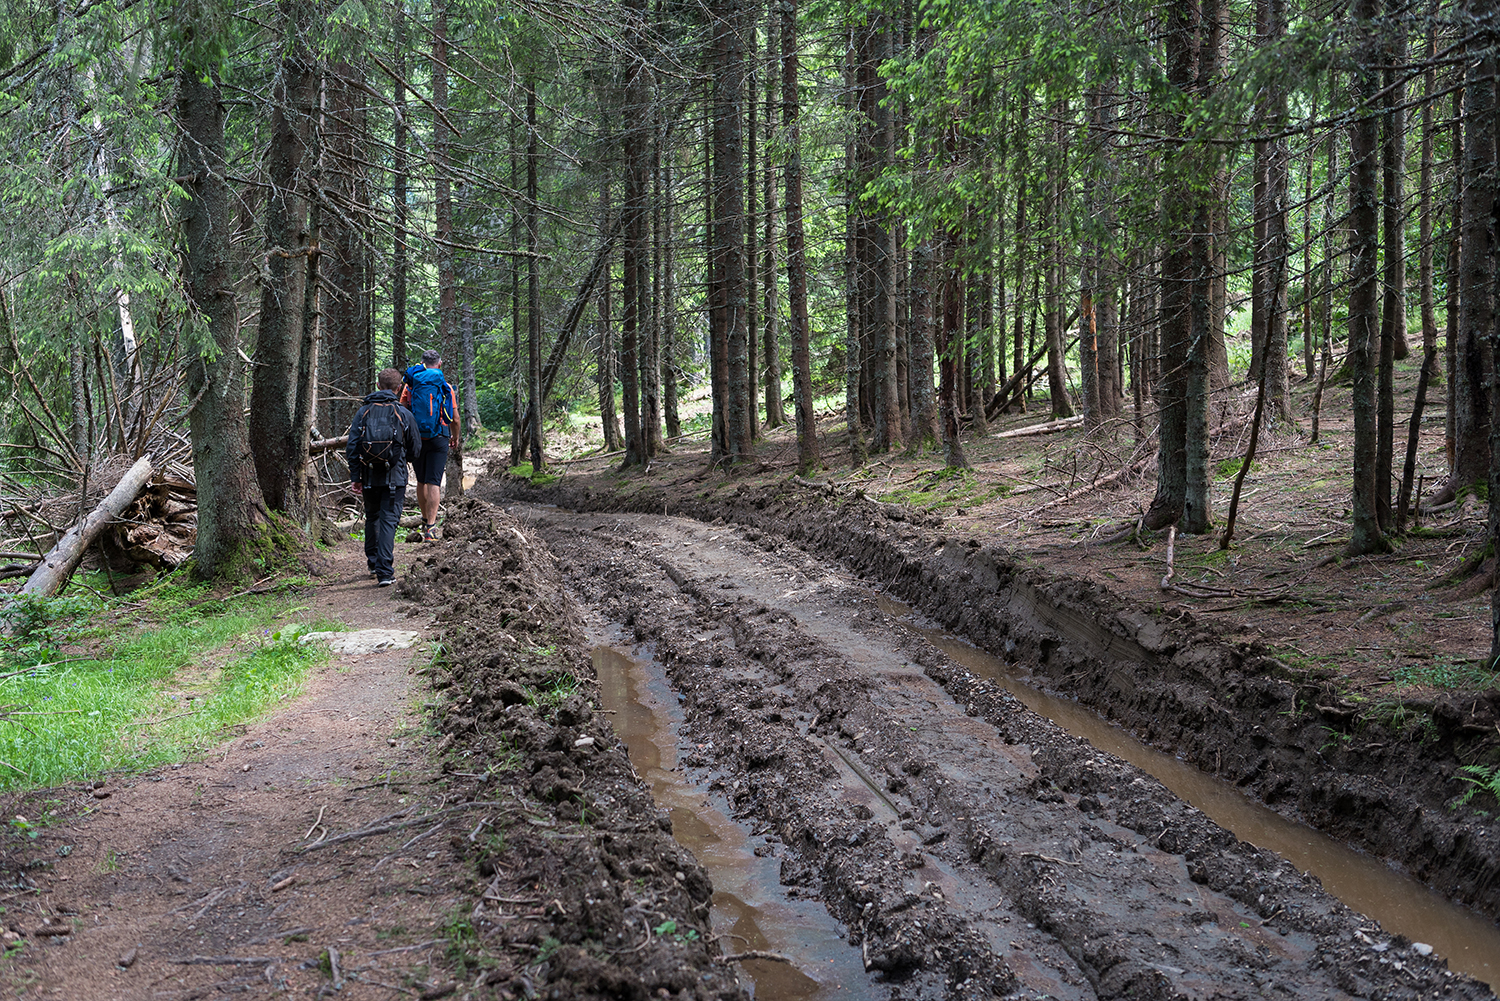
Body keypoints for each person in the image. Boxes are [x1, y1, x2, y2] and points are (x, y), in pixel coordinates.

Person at [347, 368, 423, 586]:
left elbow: (352, 446)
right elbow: (415, 448)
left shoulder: (363, 412)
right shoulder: (404, 414)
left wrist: (356, 476)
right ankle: (385, 572)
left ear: (378, 385)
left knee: (372, 517)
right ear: (399, 388)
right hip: (395, 477)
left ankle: (373, 563)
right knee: (389, 520)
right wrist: (402, 459)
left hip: (369, 475)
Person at [400, 348, 459, 541]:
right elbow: (455, 418)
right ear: (439, 364)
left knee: (421, 480)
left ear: (422, 364)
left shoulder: (410, 386)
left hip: (417, 437)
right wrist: (455, 437)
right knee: (434, 481)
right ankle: (431, 529)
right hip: (439, 436)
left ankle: (424, 519)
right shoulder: (445, 386)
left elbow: (402, 411)